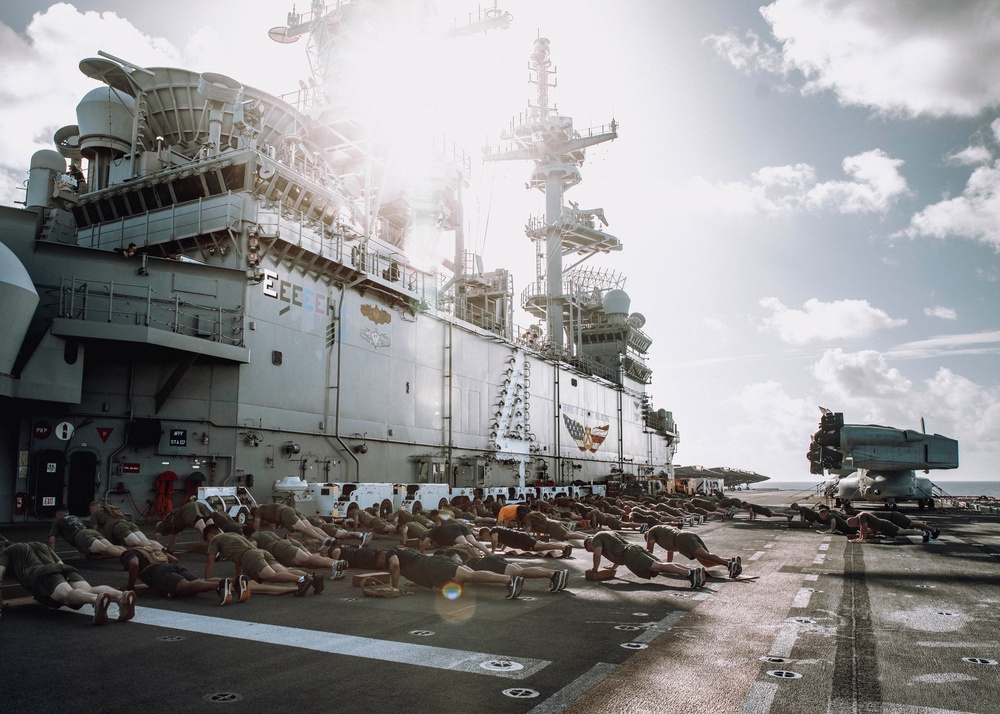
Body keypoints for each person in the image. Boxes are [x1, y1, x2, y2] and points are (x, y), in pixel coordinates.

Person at [0, 540, 135, 625]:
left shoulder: (7, 551)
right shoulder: (40, 544)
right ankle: (121, 596)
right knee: (89, 588)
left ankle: (95, 600)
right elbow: (60, 564)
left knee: (67, 595)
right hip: (64, 568)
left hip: (42, 573)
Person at [203, 526, 314, 596]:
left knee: (271, 576)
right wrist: (239, 578)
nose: (209, 543)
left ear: (210, 535)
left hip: (250, 556)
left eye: (207, 540)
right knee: (285, 570)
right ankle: (311, 577)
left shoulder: (215, 539)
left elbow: (210, 561)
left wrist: (206, 580)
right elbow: (238, 562)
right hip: (260, 552)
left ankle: (301, 579)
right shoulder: (232, 535)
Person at [120, 543, 246, 605]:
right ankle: (234, 581)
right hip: (172, 566)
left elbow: (134, 564)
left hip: (158, 573)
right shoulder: (151, 548)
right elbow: (174, 559)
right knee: (199, 582)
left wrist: (131, 586)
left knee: (187, 586)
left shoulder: (128, 553)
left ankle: (219, 585)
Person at [384, 546, 525, 599]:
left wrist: (394, 587)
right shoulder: (404, 553)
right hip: (435, 564)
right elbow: (415, 564)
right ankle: (509, 579)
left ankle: (508, 580)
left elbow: (395, 565)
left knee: (470, 576)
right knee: (471, 575)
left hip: (435, 566)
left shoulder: (390, 552)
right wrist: (416, 582)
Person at [583, 531, 706, 588]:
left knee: (658, 566)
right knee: (662, 565)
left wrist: (595, 569)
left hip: (631, 555)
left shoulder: (596, 539)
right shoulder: (609, 533)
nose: (592, 550)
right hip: (634, 549)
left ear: (589, 542)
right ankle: (693, 571)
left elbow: (597, 555)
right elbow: (619, 549)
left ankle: (689, 574)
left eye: (590, 549)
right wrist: (613, 567)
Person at [645, 524, 743, 578]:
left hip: (681, 539)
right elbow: (670, 553)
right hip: (686, 536)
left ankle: (729, 565)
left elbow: (649, 551)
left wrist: (650, 566)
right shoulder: (663, 534)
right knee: (706, 562)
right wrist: (667, 567)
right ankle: (731, 560)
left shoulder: (651, 532)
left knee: (705, 555)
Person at [250, 529, 348, 581]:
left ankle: (334, 564)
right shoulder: (265, 532)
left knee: (307, 560)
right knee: (310, 562)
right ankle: (337, 563)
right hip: (288, 542)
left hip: (280, 547)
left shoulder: (254, 536)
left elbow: (253, 549)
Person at [48, 505, 126, 558]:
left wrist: (52, 557)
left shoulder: (58, 521)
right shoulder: (75, 517)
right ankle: (129, 553)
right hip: (90, 531)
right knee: (111, 547)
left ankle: (128, 557)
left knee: (105, 549)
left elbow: (51, 541)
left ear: (57, 514)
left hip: (82, 535)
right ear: (67, 513)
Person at [89, 502, 161, 548]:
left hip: (119, 527)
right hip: (128, 524)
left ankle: (157, 552)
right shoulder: (108, 508)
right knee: (146, 540)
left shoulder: (94, 513)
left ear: (91, 510)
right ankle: (163, 549)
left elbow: (95, 528)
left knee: (138, 543)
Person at [251, 503, 335, 543]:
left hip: (285, 513)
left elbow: (256, 523)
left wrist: (255, 534)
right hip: (291, 509)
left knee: (304, 529)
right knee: (310, 527)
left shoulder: (259, 510)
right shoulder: (267, 510)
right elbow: (272, 527)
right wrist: (273, 538)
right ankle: (330, 538)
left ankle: (323, 539)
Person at [479, 526, 573, 558]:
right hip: (521, 540)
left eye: (483, 538)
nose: (485, 540)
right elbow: (505, 540)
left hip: (522, 539)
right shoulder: (496, 532)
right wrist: (501, 550)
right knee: (541, 546)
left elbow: (494, 540)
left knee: (540, 546)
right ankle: (563, 547)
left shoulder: (493, 531)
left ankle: (563, 547)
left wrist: (492, 552)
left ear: (486, 533)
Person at [846, 512, 927, 543]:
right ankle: (922, 532)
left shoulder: (861, 516)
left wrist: (861, 539)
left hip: (885, 526)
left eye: (853, 525)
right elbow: (863, 528)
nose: (854, 526)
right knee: (903, 532)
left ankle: (923, 533)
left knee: (903, 532)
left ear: (852, 521)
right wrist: (860, 538)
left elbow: (864, 528)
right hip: (883, 528)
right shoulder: (860, 518)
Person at [421, 522, 491, 556]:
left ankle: (477, 555)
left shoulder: (432, 532)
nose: (435, 546)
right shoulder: (442, 538)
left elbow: (424, 544)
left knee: (465, 544)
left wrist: (421, 554)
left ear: (433, 540)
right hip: (460, 527)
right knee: (473, 542)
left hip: (450, 531)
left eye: (434, 544)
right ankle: (488, 553)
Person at [868, 510, 940, 541]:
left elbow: (875, 528)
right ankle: (932, 531)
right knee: (912, 525)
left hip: (895, 517)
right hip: (894, 517)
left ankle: (932, 531)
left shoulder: (867, 518)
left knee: (910, 527)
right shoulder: (868, 515)